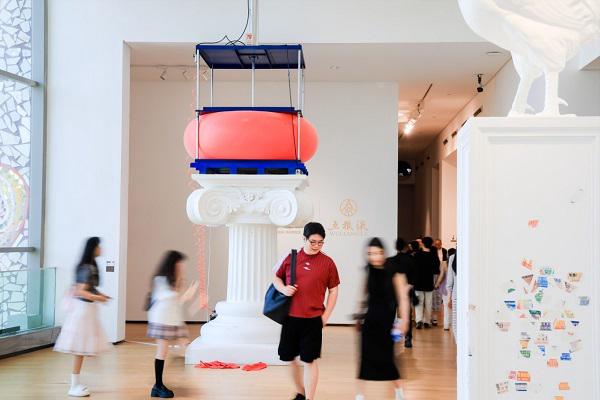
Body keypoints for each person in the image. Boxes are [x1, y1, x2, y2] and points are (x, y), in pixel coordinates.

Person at [273, 222, 340, 400]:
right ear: (304, 238)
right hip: (290, 317)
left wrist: (326, 316)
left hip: (313, 319)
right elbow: (276, 278)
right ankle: (300, 392)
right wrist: (283, 289)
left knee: (309, 360)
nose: (317, 246)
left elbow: (334, 290)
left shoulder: (328, 263)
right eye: (313, 242)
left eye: (320, 242)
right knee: (288, 358)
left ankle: (309, 398)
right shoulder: (291, 257)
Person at [54, 237, 110, 397]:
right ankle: (74, 385)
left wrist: (101, 296)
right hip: (83, 311)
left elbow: (89, 289)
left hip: (86, 310)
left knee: (82, 349)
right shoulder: (87, 267)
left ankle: (76, 383)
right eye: (99, 246)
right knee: (80, 349)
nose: (101, 249)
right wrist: (99, 298)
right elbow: (80, 291)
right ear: (93, 248)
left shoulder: (89, 266)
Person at [355, 238, 410, 400]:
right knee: (365, 359)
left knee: (388, 360)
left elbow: (403, 298)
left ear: (384, 252)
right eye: (371, 254)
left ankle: (399, 393)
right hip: (370, 321)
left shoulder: (394, 270)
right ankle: (359, 396)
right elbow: (363, 294)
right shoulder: (368, 270)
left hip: (387, 323)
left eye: (378, 253)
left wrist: (405, 320)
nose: (375, 257)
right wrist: (358, 315)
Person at [147, 250, 198, 398]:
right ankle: (157, 386)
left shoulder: (172, 280)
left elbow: (177, 302)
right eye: (180, 264)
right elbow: (170, 298)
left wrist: (186, 292)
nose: (182, 267)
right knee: (162, 351)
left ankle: (158, 386)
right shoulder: (161, 280)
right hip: (162, 319)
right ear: (173, 264)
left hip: (172, 319)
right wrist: (187, 293)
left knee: (180, 346)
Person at [387, 238, 417, 348]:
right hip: (406, 292)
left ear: (395, 247)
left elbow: (387, 278)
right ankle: (408, 339)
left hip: (392, 293)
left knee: (390, 315)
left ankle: (390, 337)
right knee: (406, 316)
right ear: (405, 247)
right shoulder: (410, 260)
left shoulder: (390, 261)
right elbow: (414, 278)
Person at [413, 237, 440, 329]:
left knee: (419, 302)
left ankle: (419, 321)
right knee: (428, 303)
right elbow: (436, 270)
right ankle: (427, 321)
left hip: (418, 282)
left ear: (423, 244)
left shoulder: (417, 255)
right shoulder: (433, 255)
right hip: (429, 282)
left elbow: (413, 269)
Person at [432, 239, 448, 328]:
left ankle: (435, 318)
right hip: (434, 273)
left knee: (438, 296)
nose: (437, 245)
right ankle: (432, 318)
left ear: (441, 244)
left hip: (442, 273)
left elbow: (445, 262)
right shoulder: (432, 251)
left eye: (439, 244)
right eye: (436, 244)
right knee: (433, 296)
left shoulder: (444, 251)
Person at [446, 249, 458, 340]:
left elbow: (450, 280)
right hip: (469, 294)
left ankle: (459, 343)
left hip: (456, 293)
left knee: (456, 321)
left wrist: (449, 297)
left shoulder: (453, 257)